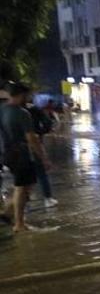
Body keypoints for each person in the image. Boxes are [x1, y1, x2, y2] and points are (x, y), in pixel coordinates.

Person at [0, 82, 51, 232]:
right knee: (22, 188)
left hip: (6, 153)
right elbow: (32, 139)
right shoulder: (22, 114)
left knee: (26, 187)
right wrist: (44, 158)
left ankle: (8, 213)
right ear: (22, 95)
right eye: (27, 95)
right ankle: (19, 224)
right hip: (21, 153)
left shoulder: (2, 110)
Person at [27, 104, 58, 208]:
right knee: (41, 171)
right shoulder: (34, 109)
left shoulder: (10, 109)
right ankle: (47, 198)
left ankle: (26, 196)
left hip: (16, 147)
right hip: (34, 142)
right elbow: (47, 123)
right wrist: (41, 132)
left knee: (24, 173)